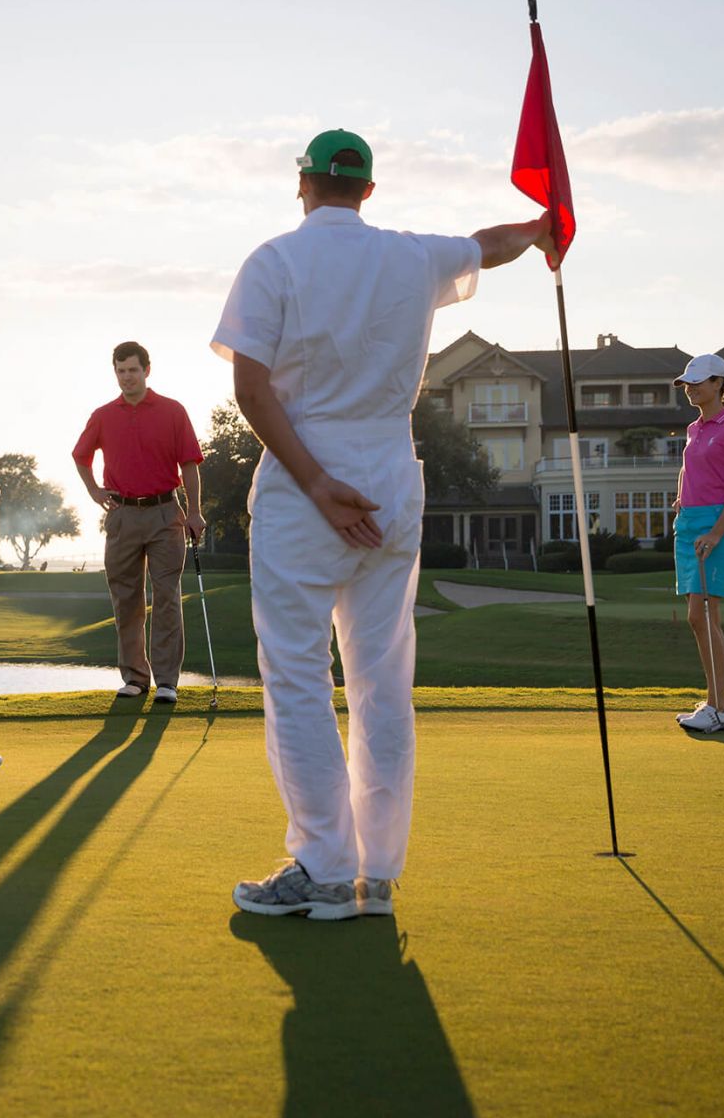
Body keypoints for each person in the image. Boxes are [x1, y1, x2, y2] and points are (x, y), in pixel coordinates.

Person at [213, 129, 553, 920]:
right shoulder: (411, 256)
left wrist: (318, 484)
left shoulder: (274, 261)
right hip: (393, 477)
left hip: (309, 485)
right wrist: (542, 231)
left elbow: (253, 392)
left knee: (298, 675)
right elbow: (489, 244)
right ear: (367, 189)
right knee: (380, 679)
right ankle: (376, 875)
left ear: (303, 183)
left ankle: (325, 868)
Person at [72, 340, 206, 703]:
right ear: (114, 372)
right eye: (120, 370)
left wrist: (194, 511)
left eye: (132, 369)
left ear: (147, 370)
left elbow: (190, 464)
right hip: (122, 515)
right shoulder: (103, 415)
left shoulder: (173, 411)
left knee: (167, 597)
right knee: (126, 600)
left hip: (167, 512)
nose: (126, 377)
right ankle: (134, 677)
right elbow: (80, 455)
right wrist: (94, 492)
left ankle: (166, 682)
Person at [669, 353, 724, 733]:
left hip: (716, 525)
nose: (691, 388)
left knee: (700, 614)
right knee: (704, 617)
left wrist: (717, 531)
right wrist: (680, 497)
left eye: (698, 381)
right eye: (687, 382)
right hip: (689, 525)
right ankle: (716, 705)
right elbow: (689, 467)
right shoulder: (694, 428)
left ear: (720, 384)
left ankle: (719, 708)